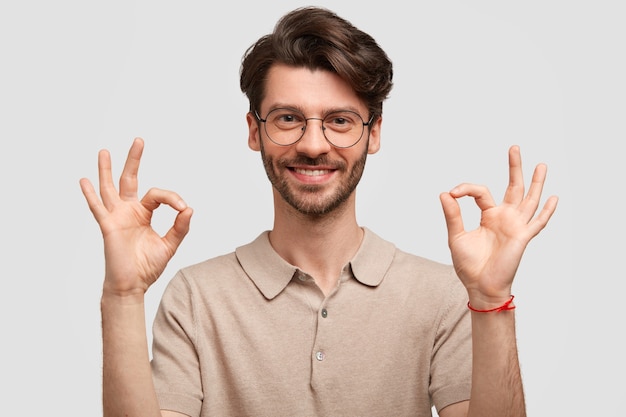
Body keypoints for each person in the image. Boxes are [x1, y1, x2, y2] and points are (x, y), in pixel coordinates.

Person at [79, 6, 558, 417]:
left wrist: (492, 297)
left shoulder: (442, 296)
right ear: (254, 130)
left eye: (340, 121)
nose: (312, 144)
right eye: (288, 118)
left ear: (373, 133)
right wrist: (122, 295)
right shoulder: (195, 297)